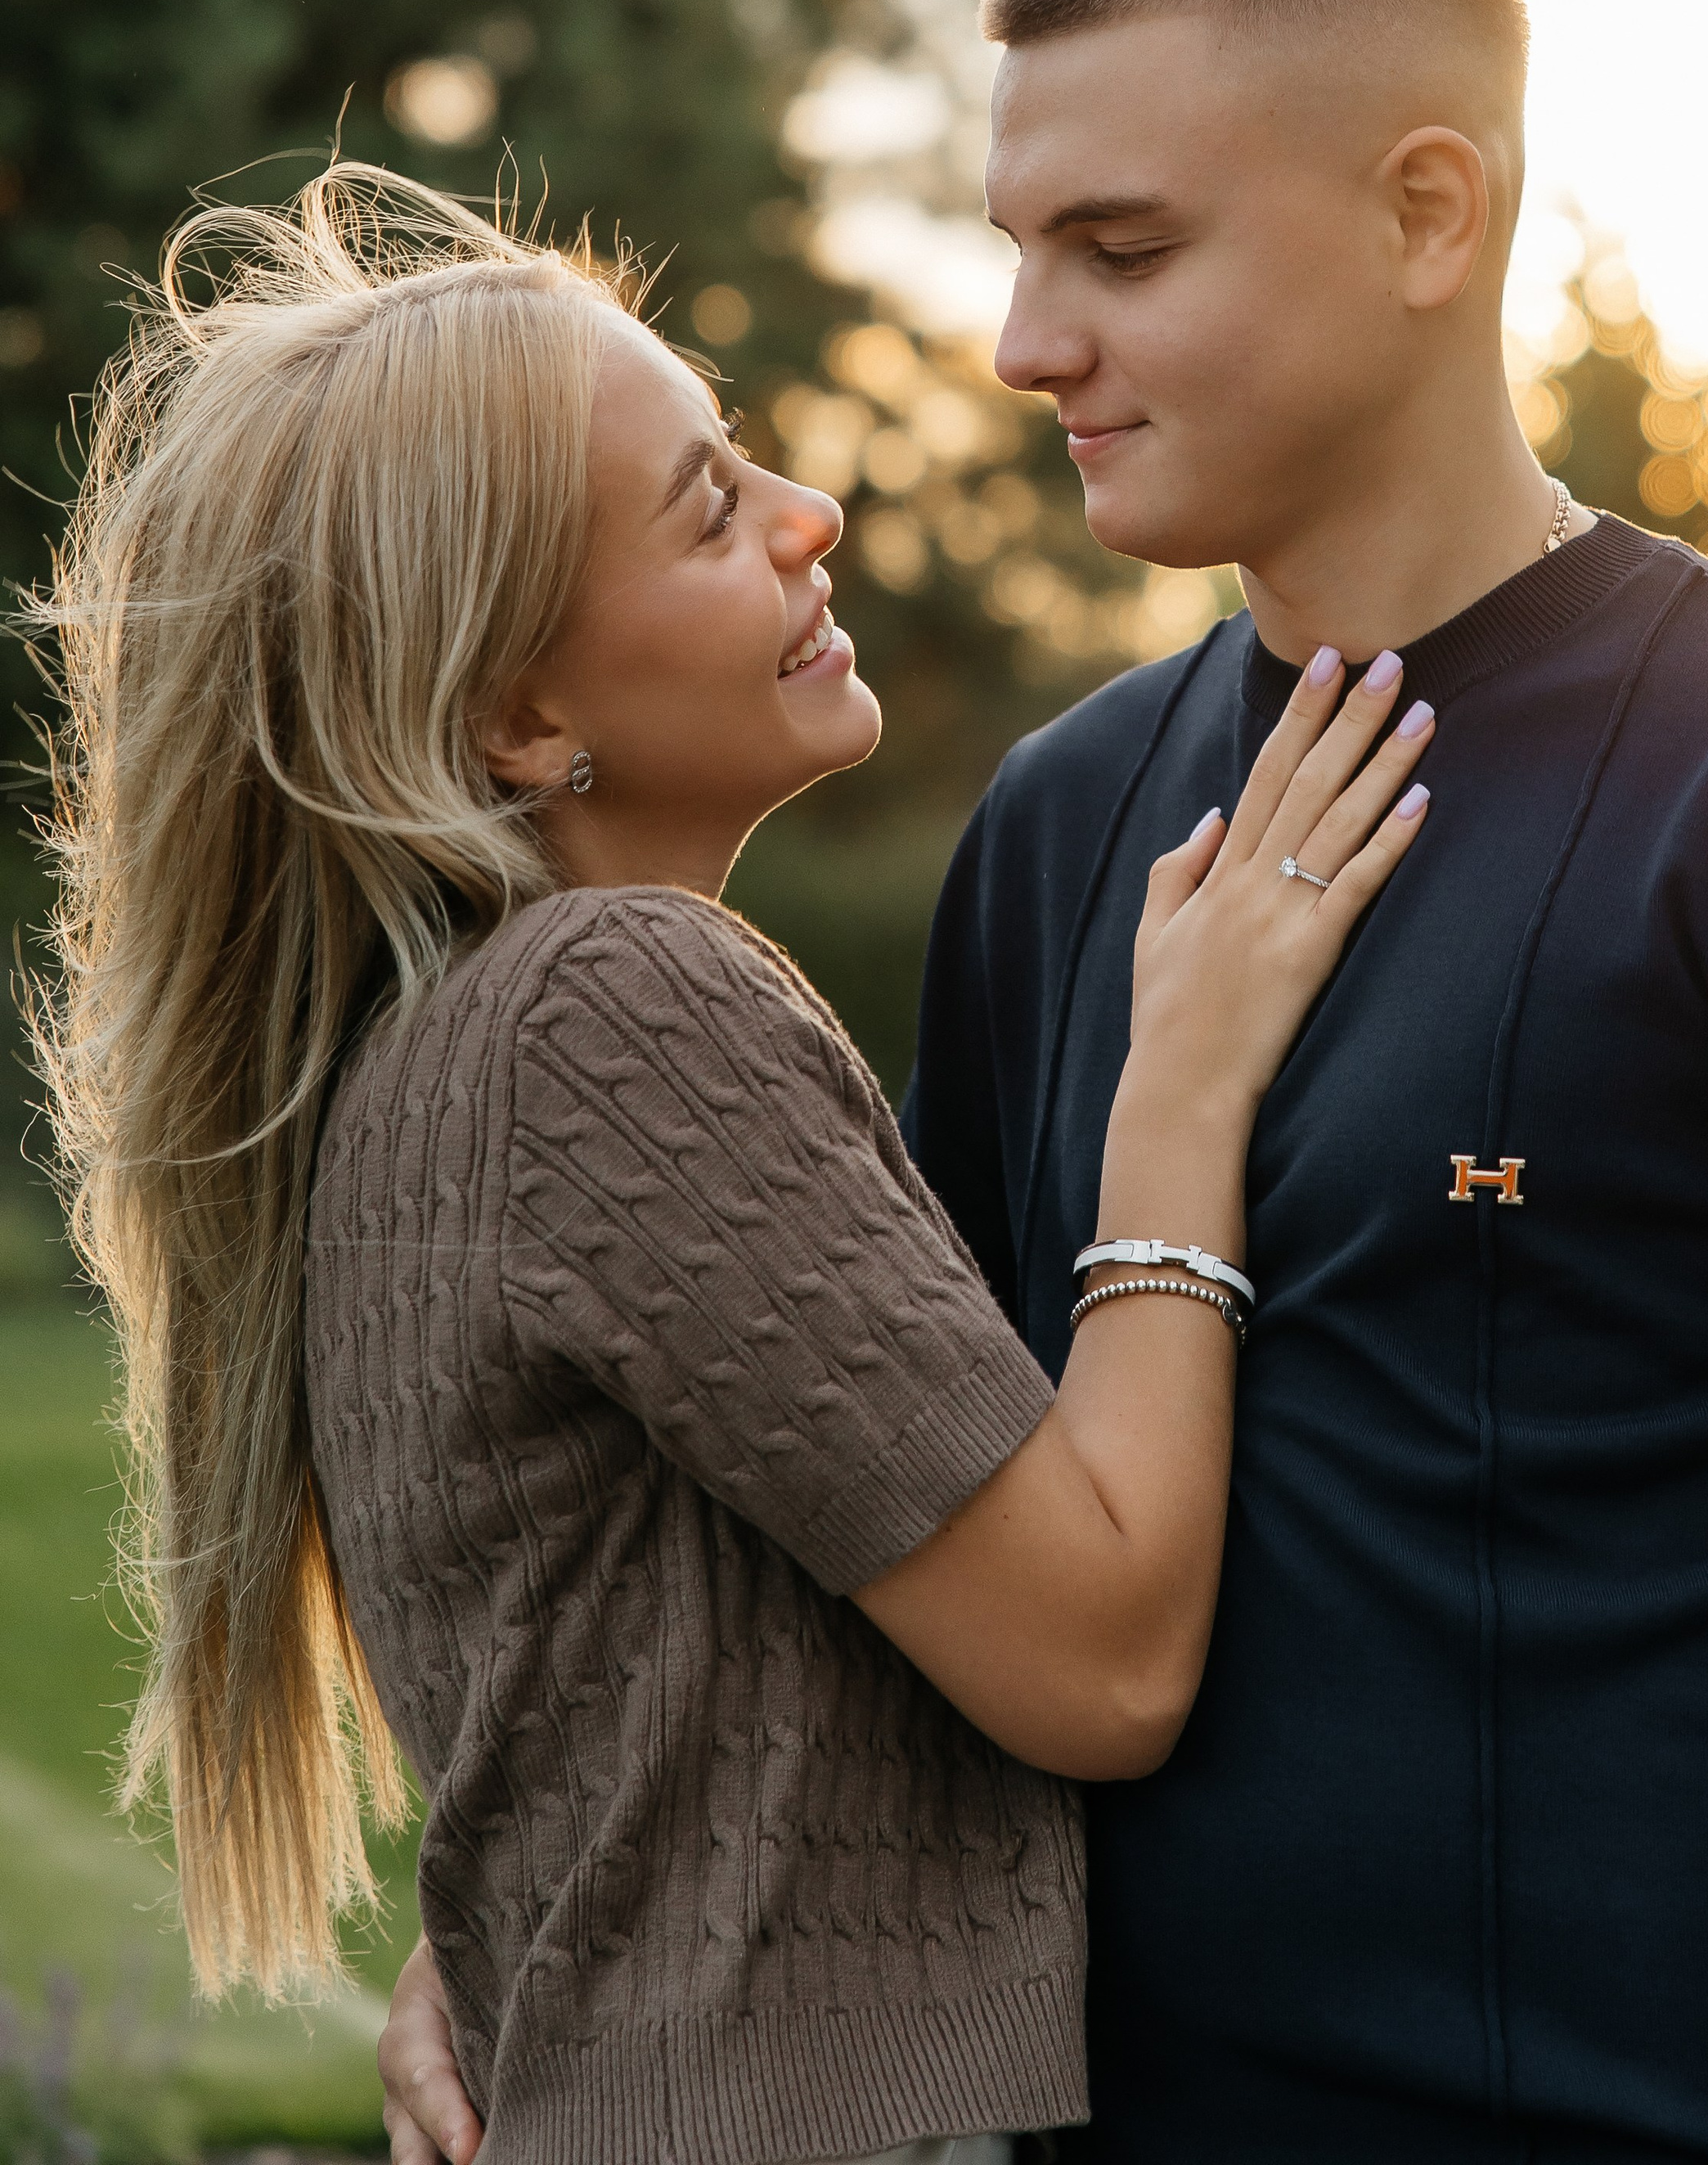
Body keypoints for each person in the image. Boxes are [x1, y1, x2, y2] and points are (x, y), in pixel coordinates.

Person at [383, 0, 1708, 2165]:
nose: (1022, 343)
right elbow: (898, 1536)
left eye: (1123, 247)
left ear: (1428, 212)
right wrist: (503, 1926)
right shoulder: (1060, 831)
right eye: (1018, 247)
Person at [33, 164, 1439, 2165]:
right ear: (518, 714)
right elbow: (1104, 1662)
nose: (811, 518)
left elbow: (628, 1701)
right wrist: (1181, 1085)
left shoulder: (429, 1069)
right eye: (708, 509)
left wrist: (487, 1936)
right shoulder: (613, 1005)